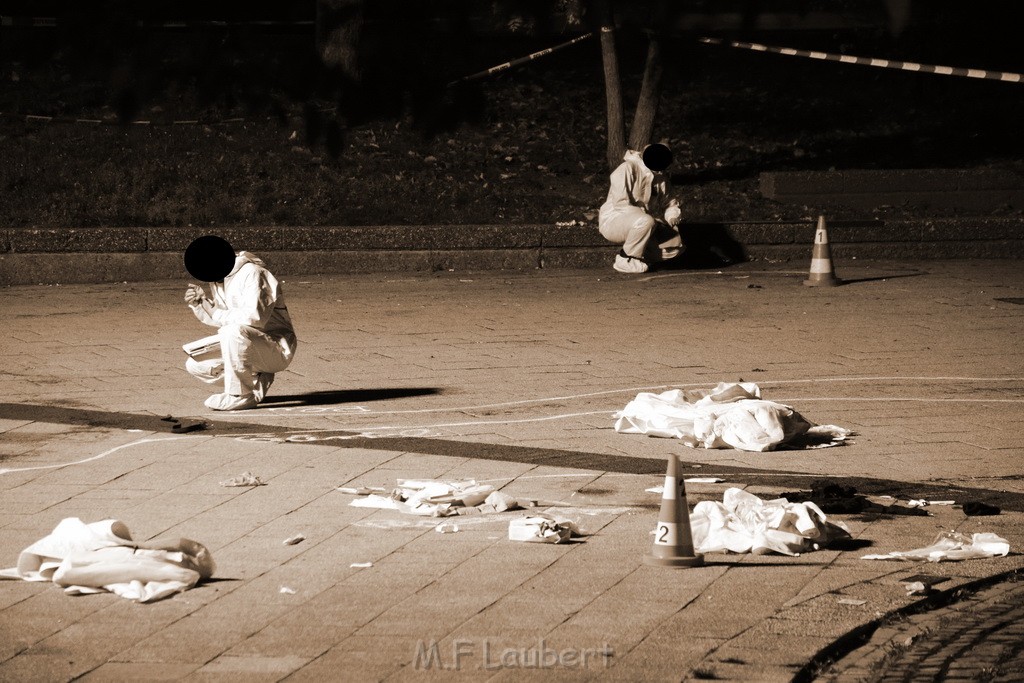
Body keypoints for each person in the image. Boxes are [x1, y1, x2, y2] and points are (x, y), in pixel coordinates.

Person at [182, 235, 297, 411]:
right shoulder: (220, 278)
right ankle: (255, 377)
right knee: (195, 363)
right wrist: (200, 304)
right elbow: (221, 318)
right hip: (249, 344)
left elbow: (254, 318)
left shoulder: (254, 273)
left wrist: (213, 310)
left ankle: (240, 395)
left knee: (232, 331)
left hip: (276, 348)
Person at [598, 142, 684, 274]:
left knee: (676, 246)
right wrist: (648, 219)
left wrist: (671, 216)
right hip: (614, 219)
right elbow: (621, 203)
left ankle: (640, 255)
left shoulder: (660, 178)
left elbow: (669, 203)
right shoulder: (627, 168)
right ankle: (625, 259)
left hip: (642, 222)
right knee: (646, 221)